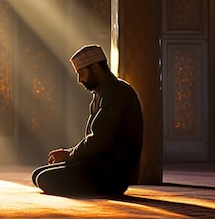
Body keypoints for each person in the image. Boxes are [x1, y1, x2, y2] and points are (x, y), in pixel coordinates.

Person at [32, 44, 143, 197]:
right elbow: (94, 139)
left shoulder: (117, 92)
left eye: (82, 73)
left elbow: (99, 140)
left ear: (96, 68)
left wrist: (69, 155)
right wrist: (69, 153)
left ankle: (100, 189)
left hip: (113, 173)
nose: (80, 80)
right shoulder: (101, 93)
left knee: (44, 178)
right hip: (99, 165)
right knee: (38, 173)